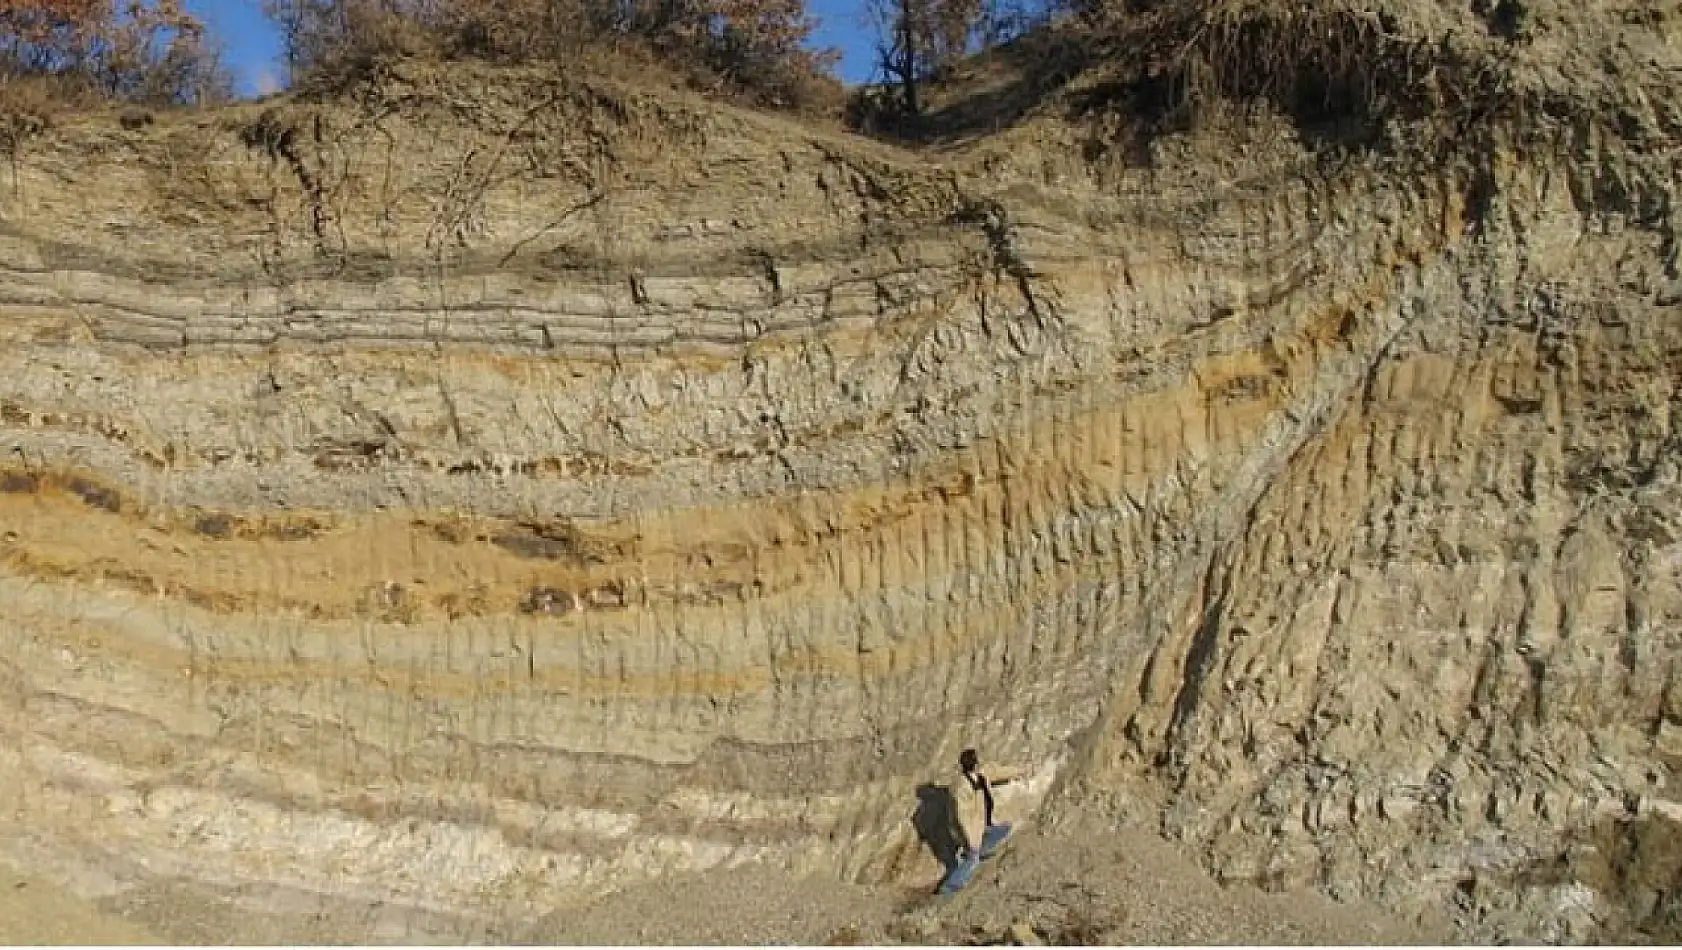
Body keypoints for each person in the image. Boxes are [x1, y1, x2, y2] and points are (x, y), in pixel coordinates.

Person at [939, 747, 1025, 894]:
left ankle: (978, 852)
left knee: (1003, 829)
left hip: (982, 823)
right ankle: (949, 888)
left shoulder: (980, 776)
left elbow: (997, 772)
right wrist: (972, 842)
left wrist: (1021, 770)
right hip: (966, 831)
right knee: (972, 859)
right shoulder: (961, 787)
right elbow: (962, 818)